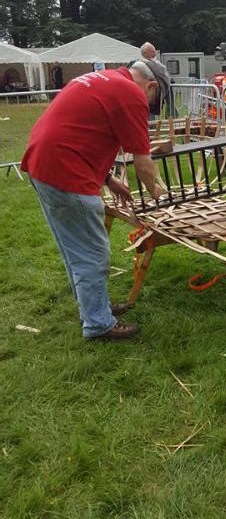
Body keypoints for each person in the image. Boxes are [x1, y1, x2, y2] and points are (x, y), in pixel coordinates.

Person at [21, 61, 162, 340]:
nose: (147, 107)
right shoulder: (132, 93)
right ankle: (98, 324)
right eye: (152, 101)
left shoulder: (103, 78)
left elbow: (82, 131)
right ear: (151, 86)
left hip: (42, 165)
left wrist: (109, 179)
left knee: (73, 250)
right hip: (66, 174)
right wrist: (162, 197)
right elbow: (143, 163)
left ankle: (93, 308)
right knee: (93, 255)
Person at [140, 41, 174, 116]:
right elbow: (165, 76)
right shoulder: (155, 65)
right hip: (147, 97)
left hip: (151, 98)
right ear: (145, 53)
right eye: (152, 51)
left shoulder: (139, 64)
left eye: (155, 51)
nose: (155, 53)